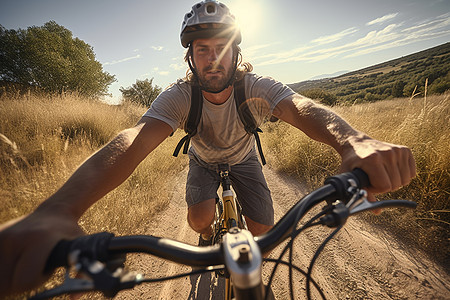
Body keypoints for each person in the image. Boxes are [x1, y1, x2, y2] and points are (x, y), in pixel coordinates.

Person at [0, 0, 416, 297]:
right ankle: (208, 232)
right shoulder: (179, 97)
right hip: (202, 160)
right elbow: (133, 139)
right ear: (191, 57)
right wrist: (59, 209)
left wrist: (353, 140)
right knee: (200, 221)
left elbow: (301, 108)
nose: (213, 58)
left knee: (263, 235)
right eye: (203, 50)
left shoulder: (256, 86)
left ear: (236, 52)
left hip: (245, 160)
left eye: (222, 48)